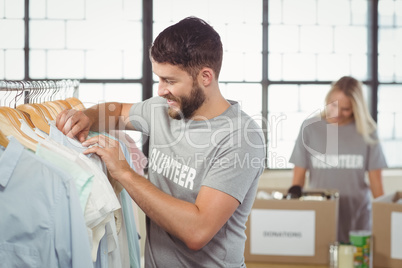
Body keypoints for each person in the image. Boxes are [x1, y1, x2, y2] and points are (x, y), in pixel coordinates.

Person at [56, 17, 266, 267]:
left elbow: (197, 231)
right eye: (159, 78)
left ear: (205, 77)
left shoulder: (240, 137)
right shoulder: (162, 109)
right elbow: (117, 111)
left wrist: (124, 172)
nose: (160, 90)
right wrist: (86, 117)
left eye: (170, 80)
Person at [289, 76, 387, 243]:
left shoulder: (368, 132)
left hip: (357, 218)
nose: (337, 113)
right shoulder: (310, 128)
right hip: (321, 215)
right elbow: (297, 183)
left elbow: (377, 188)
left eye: (346, 109)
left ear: (357, 108)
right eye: (333, 105)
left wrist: (386, 222)